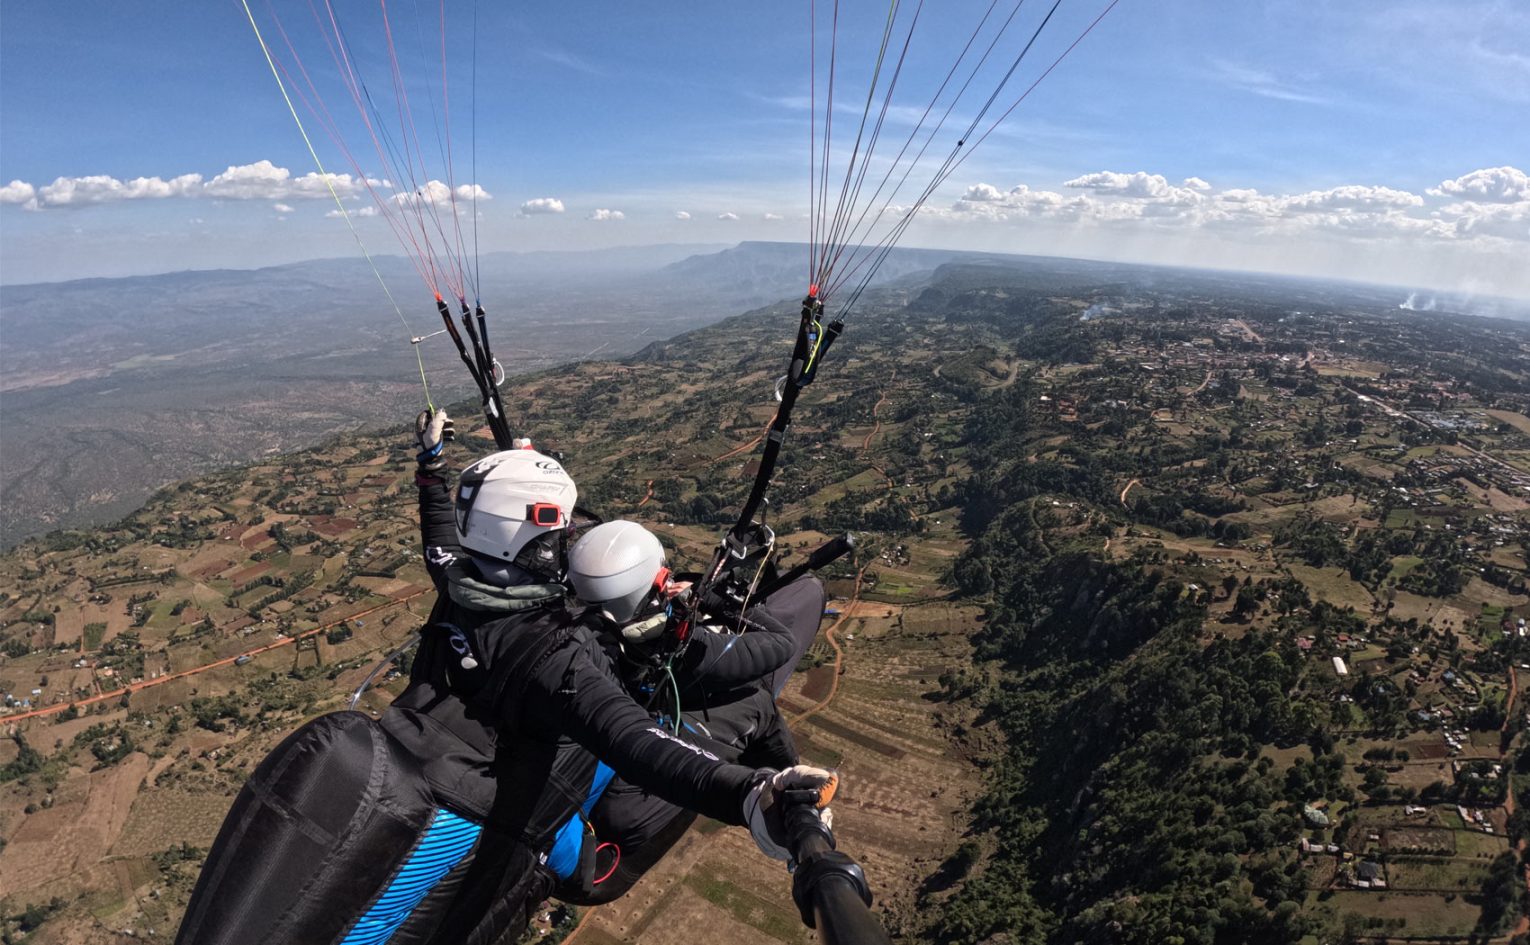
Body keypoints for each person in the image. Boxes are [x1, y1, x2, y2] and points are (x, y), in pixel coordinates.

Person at [175, 410, 837, 945]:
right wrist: (751, 796)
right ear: (537, 538)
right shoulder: (555, 655)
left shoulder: (462, 583)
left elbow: (439, 540)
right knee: (724, 723)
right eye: (562, 530)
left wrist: (432, 468)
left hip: (429, 757)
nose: (571, 541)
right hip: (534, 828)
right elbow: (634, 740)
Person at [551, 518, 827, 904]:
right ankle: (791, 798)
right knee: (755, 704)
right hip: (605, 853)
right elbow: (780, 644)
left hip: (582, 816)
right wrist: (712, 600)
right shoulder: (679, 647)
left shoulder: (569, 637)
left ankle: (785, 790)